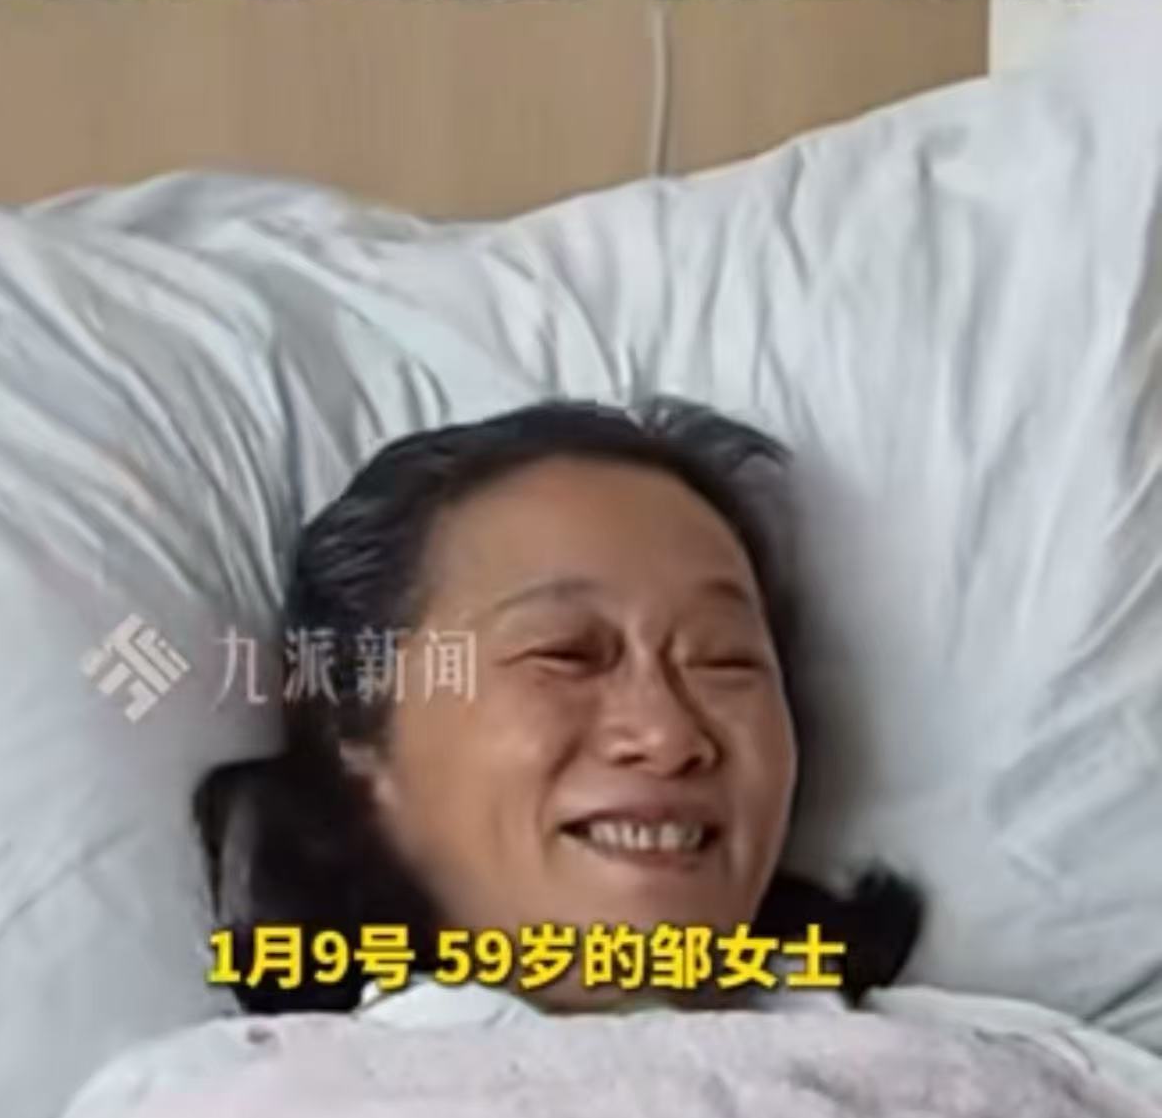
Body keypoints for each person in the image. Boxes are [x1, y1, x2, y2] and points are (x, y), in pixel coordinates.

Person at [196, 398, 921, 1016]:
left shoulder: (966, 1064)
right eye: (566, 654)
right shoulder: (229, 1116)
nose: (668, 735)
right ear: (358, 723)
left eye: (724, 660)